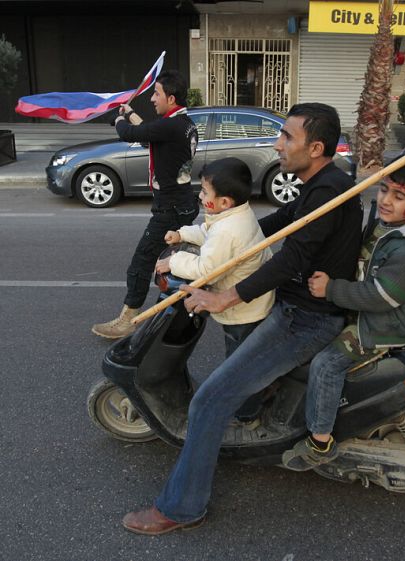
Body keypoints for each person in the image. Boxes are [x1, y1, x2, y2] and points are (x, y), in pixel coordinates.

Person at [121, 102, 363, 536]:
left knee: (208, 401)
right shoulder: (317, 184)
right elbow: (277, 224)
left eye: (288, 137)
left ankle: (181, 508)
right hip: (293, 307)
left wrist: (224, 297)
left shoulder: (330, 192)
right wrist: (231, 231)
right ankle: (253, 409)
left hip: (304, 319)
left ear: (317, 147)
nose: (279, 143)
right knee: (231, 377)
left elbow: (292, 258)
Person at [281, 148, 405, 471]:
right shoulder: (385, 222)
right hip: (368, 312)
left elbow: (380, 296)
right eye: (384, 189)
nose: (386, 200)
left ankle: (320, 442)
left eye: (398, 196)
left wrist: (332, 289)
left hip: (384, 324)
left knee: (326, 364)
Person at [92, 70, 199, 339]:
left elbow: (130, 134)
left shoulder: (170, 126)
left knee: (141, 263)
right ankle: (175, 316)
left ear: (171, 98)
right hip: (182, 203)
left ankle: (128, 320)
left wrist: (117, 118)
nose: (152, 99)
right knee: (174, 264)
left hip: (170, 209)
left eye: (157, 93)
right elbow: (145, 133)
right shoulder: (183, 124)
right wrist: (129, 113)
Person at [155, 157, 274, 360]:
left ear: (225, 202)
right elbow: (210, 232)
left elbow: (206, 271)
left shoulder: (228, 230)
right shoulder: (237, 214)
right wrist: (183, 234)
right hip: (254, 303)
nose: (200, 197)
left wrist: (174, 261)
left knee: (239, 361)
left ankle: (245, 390)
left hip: (243, 314)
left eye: (204, 192)